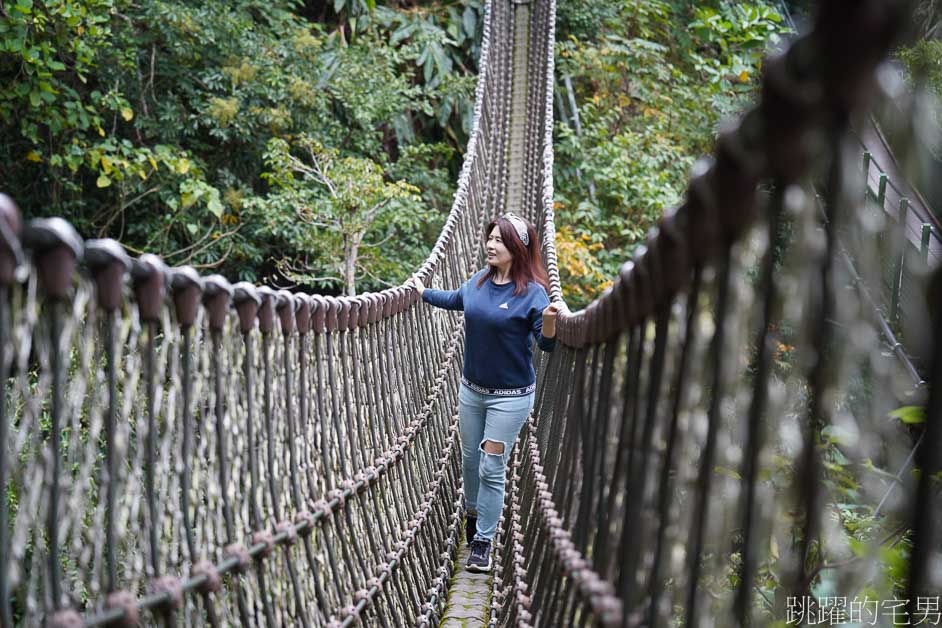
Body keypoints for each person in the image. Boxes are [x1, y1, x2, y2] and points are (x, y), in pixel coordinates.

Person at [407, 213, 564, 573]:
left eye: (500, 240)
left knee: (492, 467)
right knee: (469, 462)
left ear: (518, 249)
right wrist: (421, 292)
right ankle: (474, 514)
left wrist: (552, 318)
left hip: (510, 399)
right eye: (490, 238)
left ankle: (483, 541)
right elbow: (454, 300)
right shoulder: (478, 281)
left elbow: (547, 345)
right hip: (472, 392)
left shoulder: (533, 294)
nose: (491, 245)